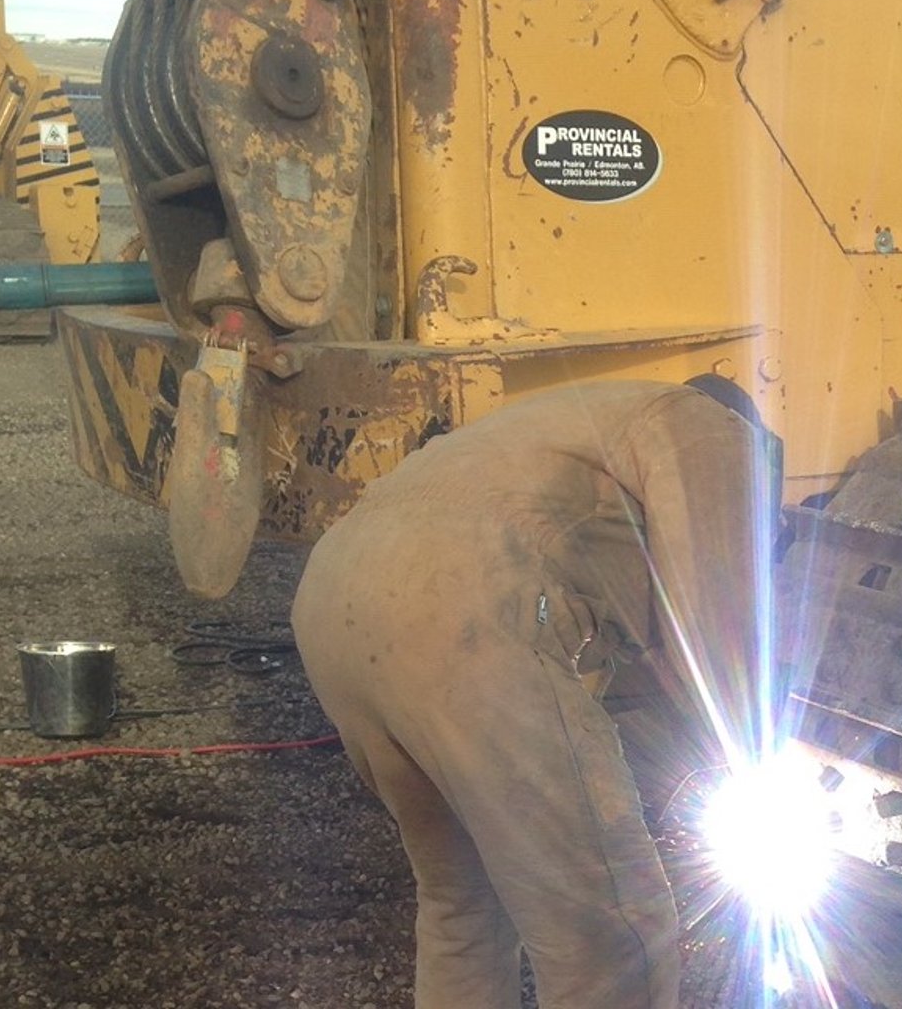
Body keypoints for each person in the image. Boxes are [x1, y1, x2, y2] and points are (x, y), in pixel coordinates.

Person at [291, 380, 769, 1008]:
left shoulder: (574, 420)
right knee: (612, 934)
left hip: (332, 597)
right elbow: (714, 640)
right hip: (461, 608)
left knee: (466, 909)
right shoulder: (711, 429)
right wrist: (756, 766)